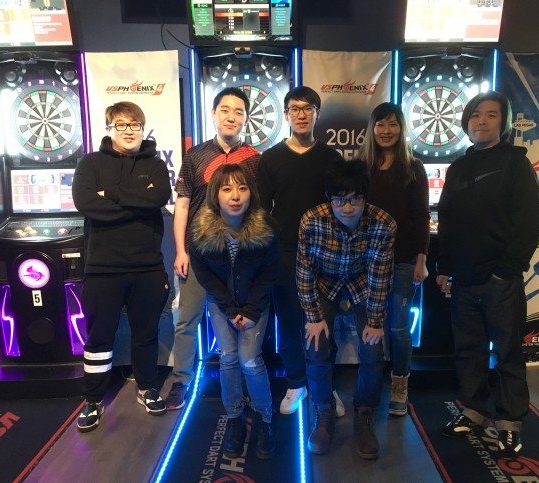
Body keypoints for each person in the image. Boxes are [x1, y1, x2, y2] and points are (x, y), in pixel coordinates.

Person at [435, 91, 539, 456]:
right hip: (463, 279)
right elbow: (447, 220)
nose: (482, 121)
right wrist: (445, 268)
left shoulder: (515, 163)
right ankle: (474, 411)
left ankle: (509, 422)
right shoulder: (458, 167)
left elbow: (528, 223)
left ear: (504, 123)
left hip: (500, 280)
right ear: (466, 121)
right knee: (469, 351)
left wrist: (506, 271)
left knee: (508, 354)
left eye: (492, 115)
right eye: (476, 114)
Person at [72, 101, 172, 432]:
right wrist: (136, 200)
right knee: (99, 338)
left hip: (147, 268)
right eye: (121, 124)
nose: (129, 131)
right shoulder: (90, 163)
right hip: (102, 269)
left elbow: (157, 197)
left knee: (146, 334)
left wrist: (110, 194)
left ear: (142, 129)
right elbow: (86, 203)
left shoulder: (155, 165)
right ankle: (93, 400)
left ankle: (147, 388)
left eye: (135, 125)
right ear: (109, 128)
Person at [168, 87, 260, 410]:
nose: (231, 117)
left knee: (241, 320)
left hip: (238, 256)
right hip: (197, 253)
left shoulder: (254, 158)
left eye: (238, 112)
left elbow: (259, 208)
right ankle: (181, 379)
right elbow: (182, 205)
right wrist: (180, 250)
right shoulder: (195, 156)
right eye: (225, 110)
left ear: (245, 118)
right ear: (213, 114)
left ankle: (246, 383)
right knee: (187, 320)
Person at [297, 158, 396, 459]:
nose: (348, 208)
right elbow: (304, 271)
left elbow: (380, 275)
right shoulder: (311, 221)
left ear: (365, 197)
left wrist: (375, 321)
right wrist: (313, 316)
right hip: (324, 282)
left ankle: (364, 414)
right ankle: (323, 410)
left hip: (362, 282)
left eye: (355, 199)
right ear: (329, 199)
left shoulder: (383, 224)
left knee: (374, 351)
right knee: (316, 346)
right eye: (340, 200)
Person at [257, 86, 344, 416]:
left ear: (317, 114)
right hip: (285, 253)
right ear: (286, 115)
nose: (301, 114)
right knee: (290, 322)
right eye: (295, 109)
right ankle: (296, 382)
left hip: (325, 253)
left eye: (308, 108)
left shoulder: (332, 159)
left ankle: (326, 386)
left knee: (324, 322)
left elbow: (341, 207)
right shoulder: (271, 159)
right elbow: (262, 212)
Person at [189, 164, 278, 460]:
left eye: (242, 188)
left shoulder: (266, 226)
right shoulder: (201, 229)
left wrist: (250, 310)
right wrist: (229, 309)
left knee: (249, 360)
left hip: (255, 302)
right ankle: (234, 419)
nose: (235, 196)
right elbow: (205, 275)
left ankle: (265, 419)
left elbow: (269, 273)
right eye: (227, 189)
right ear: (215, 194)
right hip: (221, 303)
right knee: (227, 358)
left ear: (252, 192)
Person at [359, 102, 430, 416]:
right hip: (365, 260)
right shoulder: (362, 167)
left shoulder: (413, 167)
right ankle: (370, 386)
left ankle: (400, 384)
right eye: (380, 124)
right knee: (371, 325)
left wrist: (421, 259)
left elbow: (421, 216)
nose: (386, 131)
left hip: (403, 259)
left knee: (399, 328)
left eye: (392, 124)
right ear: (372, 129)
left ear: (401, 129)